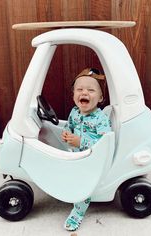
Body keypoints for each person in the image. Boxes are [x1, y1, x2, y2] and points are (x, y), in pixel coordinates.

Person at [61, 68, 111, 231]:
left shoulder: (100, 118)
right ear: (73, 94)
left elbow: (105, 143)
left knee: (83, 184)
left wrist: (80, 141)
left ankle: (78, 213)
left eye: (91, 90)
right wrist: (66, 133)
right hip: (76, 156)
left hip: (92, 160)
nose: (85, 93)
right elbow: (69, 126)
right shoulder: (74, 112)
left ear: (101, 97)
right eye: (80, 89)